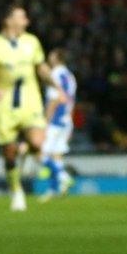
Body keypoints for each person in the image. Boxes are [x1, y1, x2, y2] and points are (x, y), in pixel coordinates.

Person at [0, 5, 53, 212]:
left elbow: (41, 67)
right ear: (8, 21)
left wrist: (55, 84)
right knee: (9, 152)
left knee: (37, 142)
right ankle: (16, 191)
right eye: (22, 17)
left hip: (31, 101)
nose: (26, 21)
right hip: (4, 106)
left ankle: (25, 152)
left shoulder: (32, 41)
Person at [39, 48, 76, 201]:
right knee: (56, 155)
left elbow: (55, 99)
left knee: (40, 153)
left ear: (57, 58)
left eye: (51, 55)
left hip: (54, 120)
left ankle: (63, 176)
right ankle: (54, 189)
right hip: (66, 120)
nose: (49, 57)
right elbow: (71, 100)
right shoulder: (70, 76)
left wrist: (46, 121)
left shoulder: (55, 74)